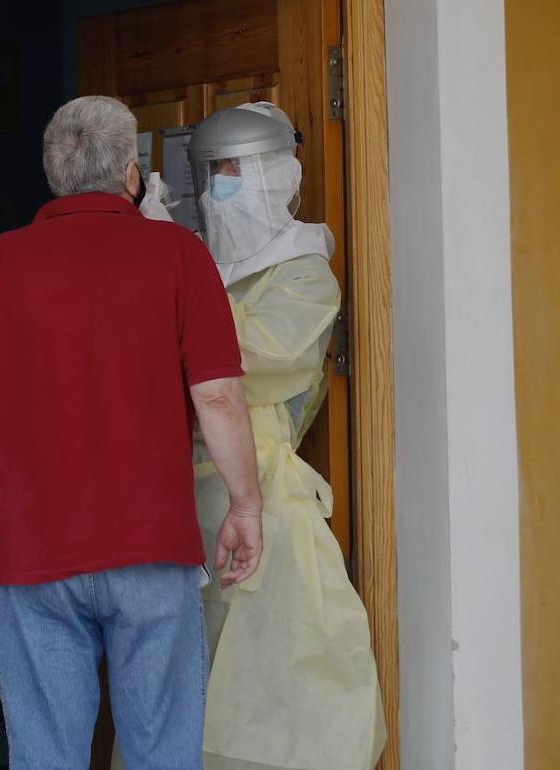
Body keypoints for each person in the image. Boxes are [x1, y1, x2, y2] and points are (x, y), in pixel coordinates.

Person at [0, 95, 264, 770]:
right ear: (130, 173)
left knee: (46, 756)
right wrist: (245, 506)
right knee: (161, 753)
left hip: (35, 559)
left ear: (54, 174)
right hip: (151, 551)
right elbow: (219, 398)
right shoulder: (176, 254)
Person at [134, 102, 385, 770]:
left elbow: (243, 359)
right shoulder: (198, 267)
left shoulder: (303, 271)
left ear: (275, 175)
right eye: (211, 173)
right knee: (177, 699)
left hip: (262, 506)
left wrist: (174, 281)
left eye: (233, 172)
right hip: (173, 512)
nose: (221, 189)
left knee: (275, 703)